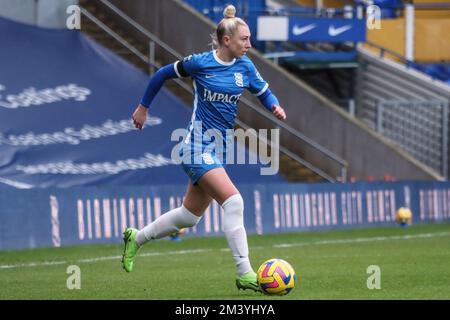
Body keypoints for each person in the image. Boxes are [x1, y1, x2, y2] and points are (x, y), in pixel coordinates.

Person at [121, 5, 286, 293]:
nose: (250, 44)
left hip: (220, 148)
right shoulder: (200, 63)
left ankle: (136, 239)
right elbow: (161, 74)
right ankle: (245, 272)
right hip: (195, 145)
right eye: (244, 39)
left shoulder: (245, 66)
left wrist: (274, 105)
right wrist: (143, 108)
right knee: (234, 202)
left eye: (249, 39)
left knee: (189, 216)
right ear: (226, 40)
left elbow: (263, 90)